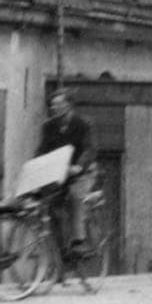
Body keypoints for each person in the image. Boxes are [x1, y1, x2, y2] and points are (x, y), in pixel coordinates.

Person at [36, 88, 96, 254]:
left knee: (75, 196)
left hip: (81, 173)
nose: (54, 108)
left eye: (58, 104)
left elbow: (89, 149)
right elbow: (42, 150)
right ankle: (61, 249)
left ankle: (79, 241)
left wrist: (79, 166)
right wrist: (35, 168)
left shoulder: (83, 124)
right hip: (59, 174)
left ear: (69, 105)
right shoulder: (48, 126)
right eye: (52, 105)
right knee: (51, 205)